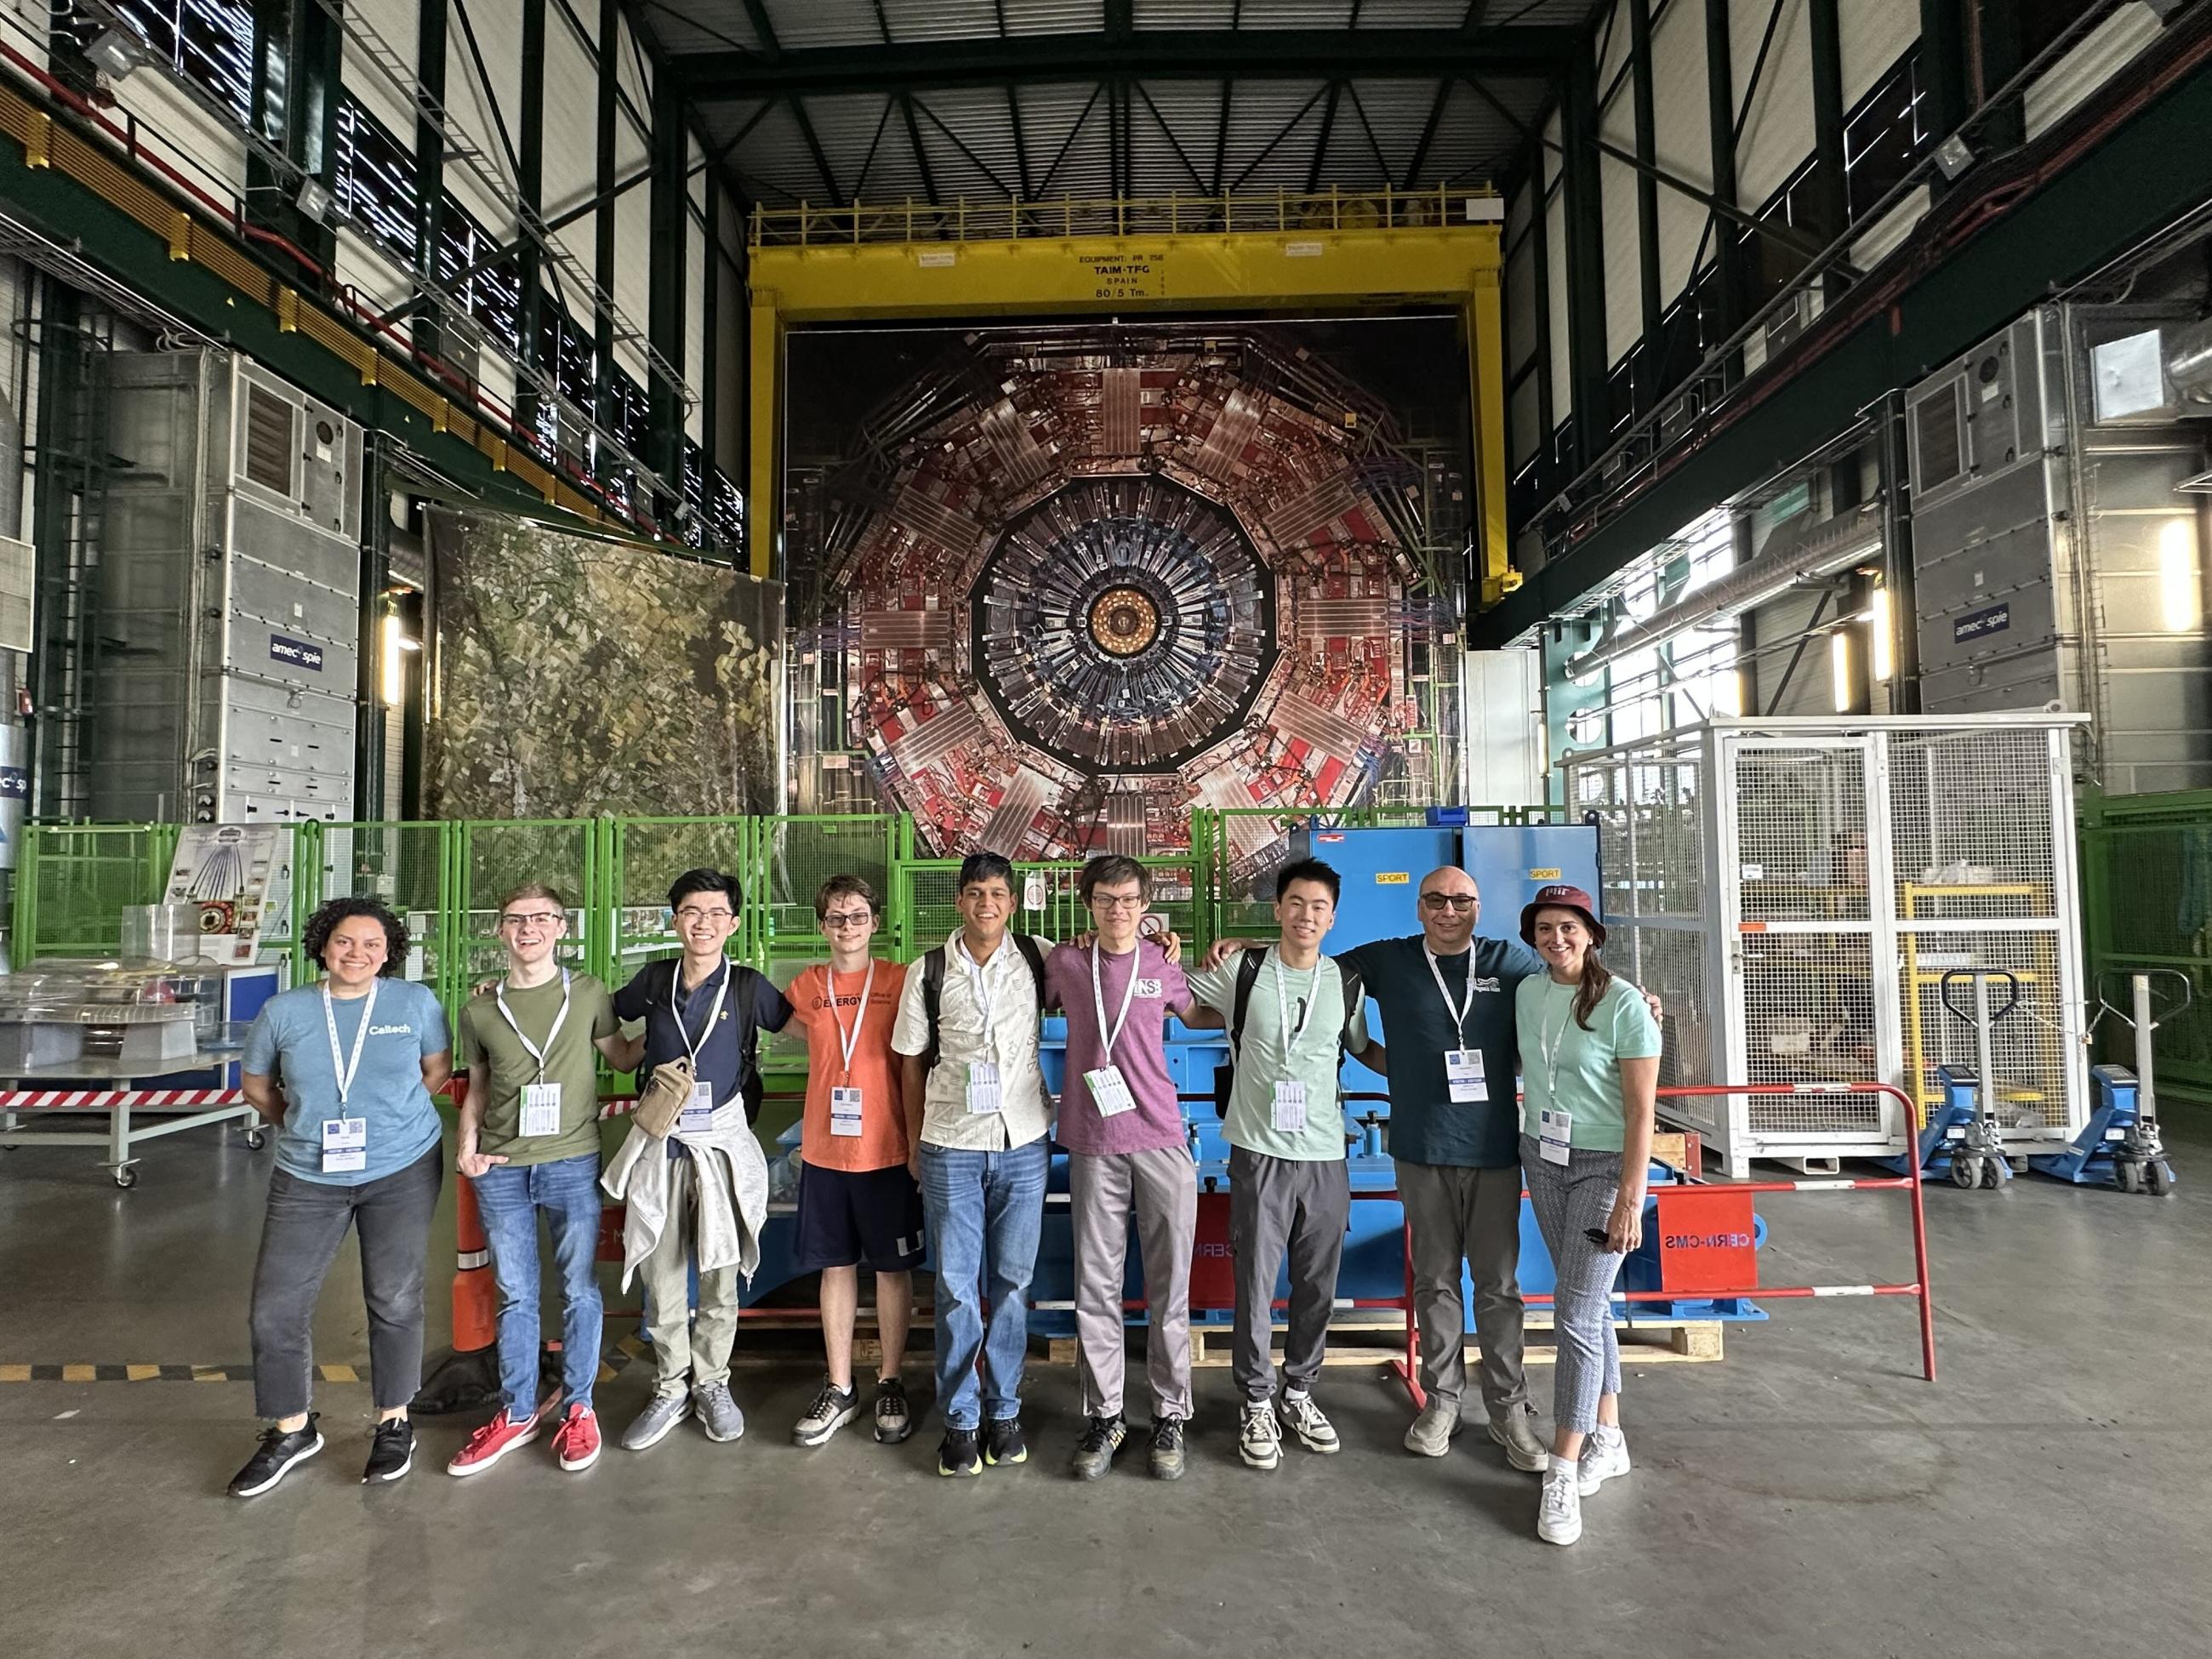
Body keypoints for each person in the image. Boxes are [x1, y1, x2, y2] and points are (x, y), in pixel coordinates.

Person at [227, 898, 453, 1497]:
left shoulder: (414, 1003)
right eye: (345, 943)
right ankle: (292, 1428)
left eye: (372, 945)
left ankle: (393, 1420)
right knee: (276, 1306)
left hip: (402, 1168)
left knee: (394, 1295)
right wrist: (301, 1124)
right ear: (323, 946)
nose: (358, 954)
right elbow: (256, 1084)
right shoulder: (286, 1011)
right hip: (307, 1174)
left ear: (389, 952)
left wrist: (392, 1121)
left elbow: (436, 1070)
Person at [445, 885, 641, 1478]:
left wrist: (677, 1019)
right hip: (501, 1169)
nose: (528, 929)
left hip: (571, 1161)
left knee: (580, 1289)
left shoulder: (587, 995)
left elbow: (625, 1059)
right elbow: (477, 1084)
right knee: (516, 1295)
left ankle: (580, 1406)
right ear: (500, 930)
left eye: (541, 919)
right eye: (515, 920)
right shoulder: (480, 1008)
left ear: (561, 928)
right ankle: (516, 1410)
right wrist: (468, 1149)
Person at [1184, 858, 1370, 1474]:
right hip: (1259, 1153)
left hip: (1325, 1155)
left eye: (1318, 907)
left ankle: (1299, 1390)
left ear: (1333, 917)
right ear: (1277, 909)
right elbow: (1181, 1001)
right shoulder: (1245, 968)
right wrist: (1159, 942)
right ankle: (1256, 1400)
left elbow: (1362, 1048)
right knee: (1257, 1285)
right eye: (1295, 904)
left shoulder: (1346, 982)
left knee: (1318, 1284)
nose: (1306, 916)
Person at [605, 868, 790, 1452]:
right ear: (675, 919)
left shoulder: (749, 987)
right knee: (661, 1278)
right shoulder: (655, 981)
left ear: (733, 923)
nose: (703, 923)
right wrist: (629, 1053)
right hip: (662, 1147)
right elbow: (605, 1023)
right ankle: (668, 1386)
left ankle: (712, 1382)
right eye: (691, 911)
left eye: (715, 913)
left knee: (719, 1273)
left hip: (722, 1149)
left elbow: (808, 1024)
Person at [891, 850, 1052, 1479]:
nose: (987, 904)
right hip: (951, 1146)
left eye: (998, 894)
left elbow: (1108, 968)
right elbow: (910, 1060)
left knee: (1012, 1285)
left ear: (1013, 902)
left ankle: (1004, 1411)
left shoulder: (1038, 959)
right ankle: (959, 1420)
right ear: (959, 901)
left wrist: (1166, 949)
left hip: (1023, 1144)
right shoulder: (929, 971)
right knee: (958, 1287)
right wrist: (912, 1142)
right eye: (976, 894)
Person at [1046, 855, 1204, 1482]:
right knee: (1096, 1286)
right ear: (1088, 903)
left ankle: (1170, 1414)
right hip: (1093, 1140)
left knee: (1170, 1285)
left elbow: (1196, 1012)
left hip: (1161, 1137)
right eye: (1106, 899)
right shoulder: (1064, 963)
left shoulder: (1163, 963)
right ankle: (1106, 1414)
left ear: (1146, 906)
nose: (1118, 910)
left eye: (1130, 899)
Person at [1514, 884, 1661, 1548]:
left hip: (1603, 1167)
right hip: (1542, 1157)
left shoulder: (1626, 1004)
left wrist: (1632, 1195)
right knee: (1591, 1304)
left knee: (1572, 1313)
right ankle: (1611, 1434)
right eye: (1545, 928)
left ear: (1592, 933)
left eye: (1569, 927)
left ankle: (1564, 1469)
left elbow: (1641, 1112)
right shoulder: (1528, 993)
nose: (1557, 938)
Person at [783, 875, 921, 1449]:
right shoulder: (805, 986)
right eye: (836, 917)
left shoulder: (899, 980)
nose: (847, 926)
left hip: (887, 1150)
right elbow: (779, 1025)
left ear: (875, 922)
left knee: (893, 1269)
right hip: (824, 1151)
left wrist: (914, 1144)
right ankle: (840, 1385)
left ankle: (890, 1380)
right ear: (822, 926)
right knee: (834, 1267)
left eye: (858, 915)